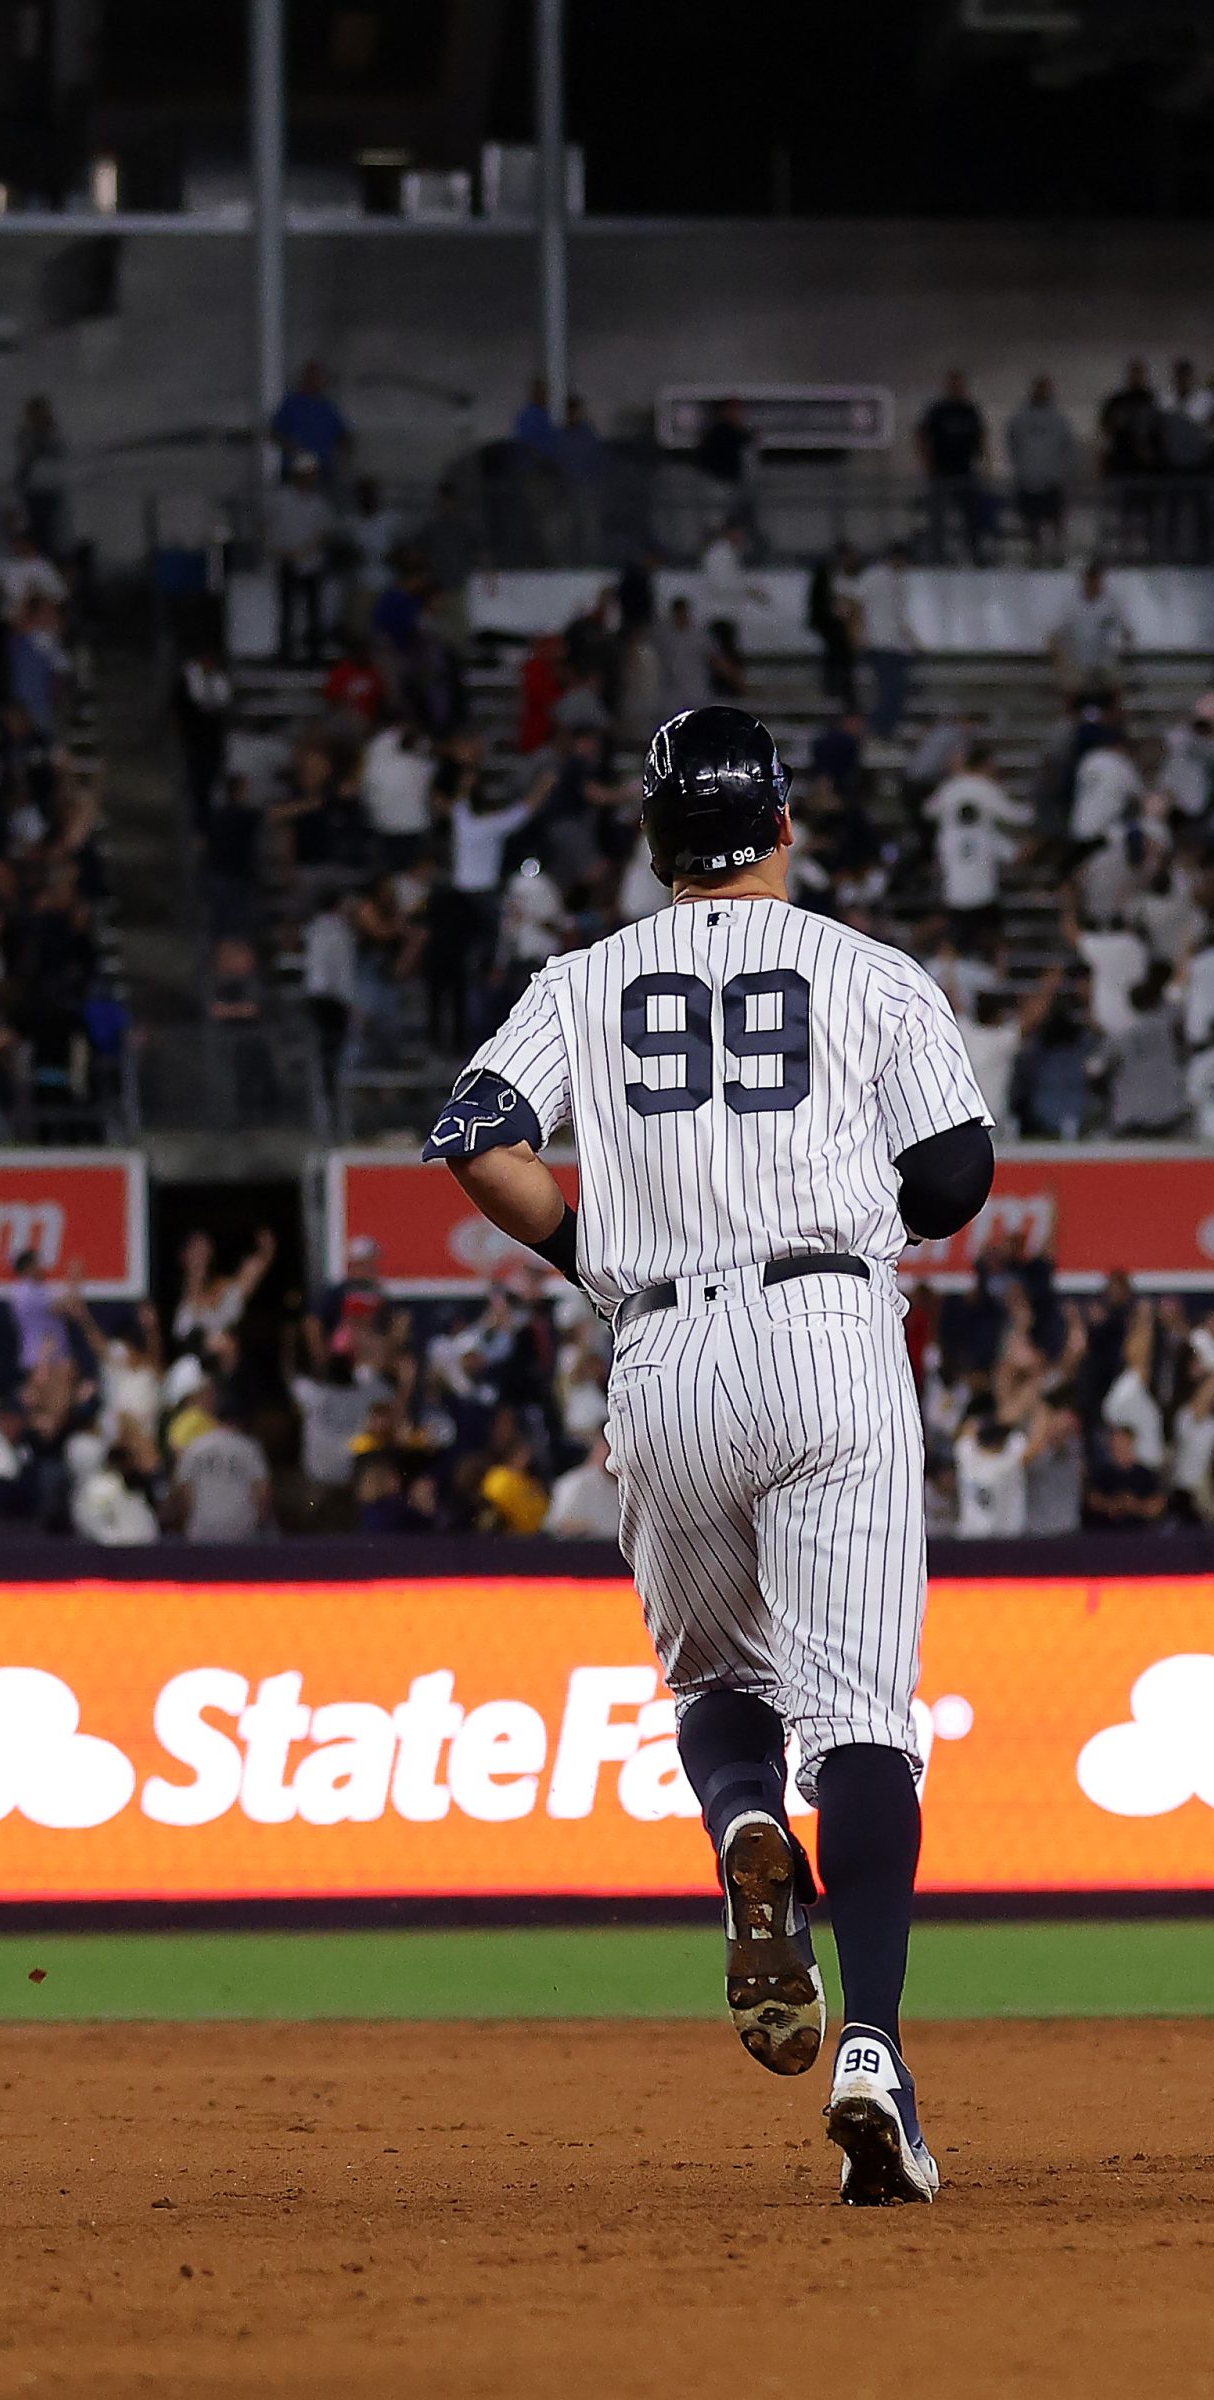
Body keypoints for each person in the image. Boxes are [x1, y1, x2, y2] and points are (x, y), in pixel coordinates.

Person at [427, 703, 994, 2207]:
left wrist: (596, 1249)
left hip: (662, 1345)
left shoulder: (585, 977)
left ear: (654, 839)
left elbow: (475, 1131)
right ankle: (870, 2048)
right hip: (825, 1331)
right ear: (786, 825)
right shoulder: (866, 972)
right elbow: (951, 1179)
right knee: (863, 1719)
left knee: (717, 1687)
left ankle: (745, 1828)